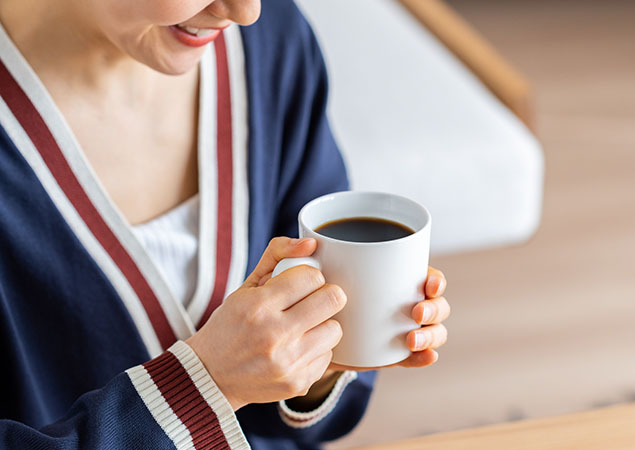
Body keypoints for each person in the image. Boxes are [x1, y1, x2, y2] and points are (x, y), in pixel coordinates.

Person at [0, 0, 451, 448]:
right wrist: (203, 386)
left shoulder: (270, 42)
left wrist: (317, 359)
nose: (244, 11)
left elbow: (282, 408)